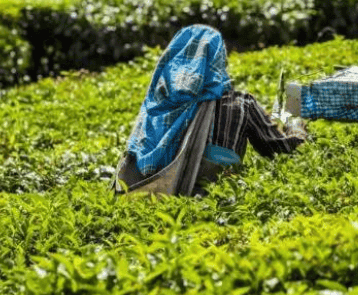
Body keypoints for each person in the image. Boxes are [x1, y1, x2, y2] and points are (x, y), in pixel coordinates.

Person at [115, 24, 307, 196]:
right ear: (218, 60)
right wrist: (296, 126)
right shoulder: (240, 104)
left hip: (150, 200)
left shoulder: (154, 110)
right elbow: (279, 148)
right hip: (212, 199)